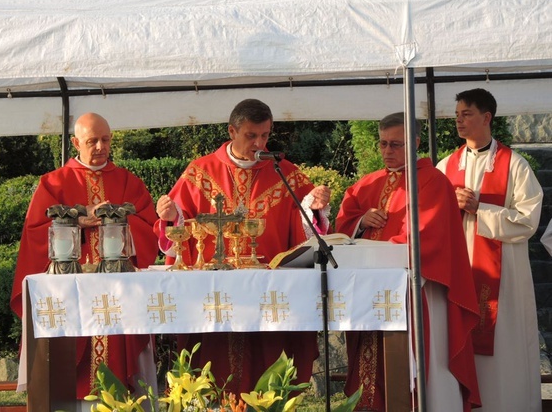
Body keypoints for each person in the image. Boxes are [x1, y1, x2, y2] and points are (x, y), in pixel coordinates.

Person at [155, 98, 331, 395]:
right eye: (251, 135)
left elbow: (306, 228)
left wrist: (313, 207)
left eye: (265, 135)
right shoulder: (200, 173)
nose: (259, 143)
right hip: (213, 292)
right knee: (213, 366)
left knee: (267, 362)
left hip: (267, 290)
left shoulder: (285, 172)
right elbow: (175, 233)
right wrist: (172, 217)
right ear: (232, 131)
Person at [335, 112, 481, 412]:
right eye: (383, 144)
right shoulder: (367, 184)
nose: (387, 151)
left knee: (423, 368)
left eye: (396, 145)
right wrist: (360, 222)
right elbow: (342, 225)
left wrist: (376, 248)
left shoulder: (432, 182)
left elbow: (427, 237)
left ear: (415, 143)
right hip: (368, 291)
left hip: (417, 291)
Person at [10, 112, 160, 405]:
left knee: (117, 357)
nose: (100, 147)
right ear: (76, 142)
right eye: (92, 141)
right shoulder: (53, 183)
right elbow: (35, 232)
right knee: (70, 360)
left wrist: (117, 220)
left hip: (117, 292)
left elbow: (149, 229)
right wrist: (78, 218)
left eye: (105, 140)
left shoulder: (130, 182)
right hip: (71, 293)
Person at [437, 88, 543, 412]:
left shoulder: (515, 166)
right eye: (456, 115)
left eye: (466, 114)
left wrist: (479, 208)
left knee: (504, 353)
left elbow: (528, 220)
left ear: (486, 118)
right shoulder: (445, 166)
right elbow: (428, 220)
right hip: (459, 273)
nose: (459, 120)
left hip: (504, 278)